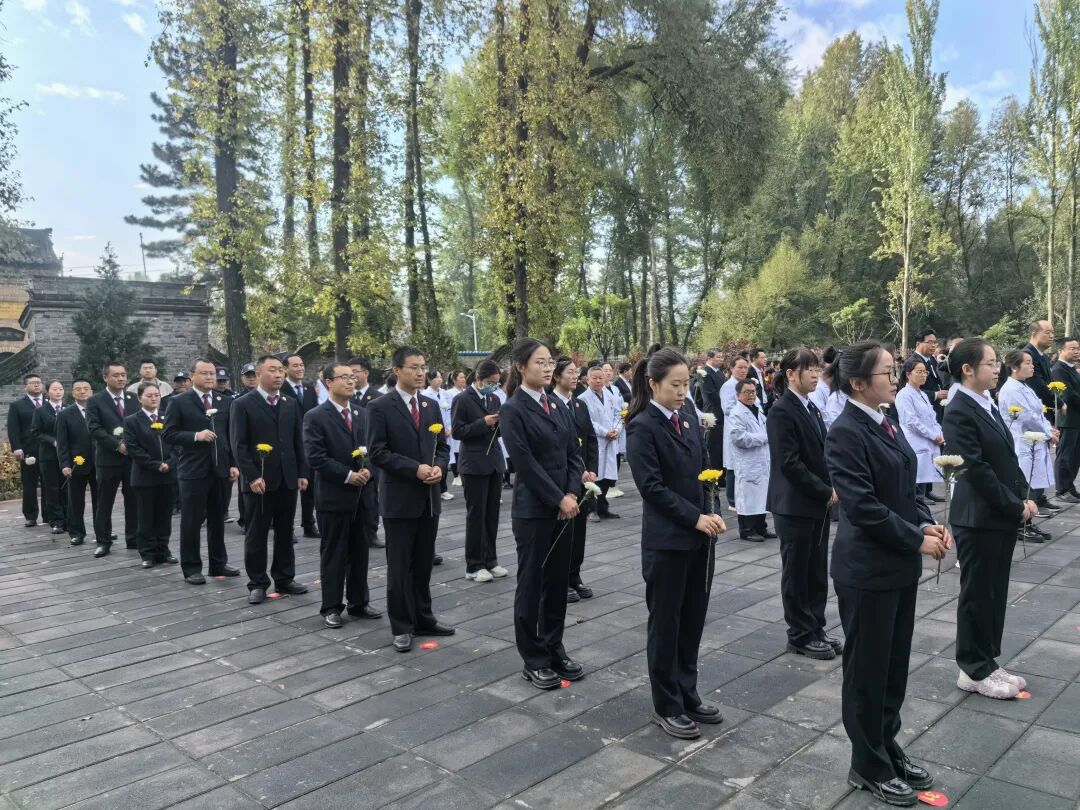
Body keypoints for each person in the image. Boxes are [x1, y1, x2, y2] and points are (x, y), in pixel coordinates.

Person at [826, 342, 949, 806]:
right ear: (859, 382)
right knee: (867, 670)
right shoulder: (845, 432)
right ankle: (867, 763)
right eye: (888, 372)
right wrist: (915, 538)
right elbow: (862, 506)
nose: (896, 379)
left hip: (897, 565)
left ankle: (885, 742)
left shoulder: (885, 419)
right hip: (867, 570)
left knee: (893, 666)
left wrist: (924, 521)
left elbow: (905, 486)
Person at [626, 346, 727, 739]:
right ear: (653, 384)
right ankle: (666, 704)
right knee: (666, 623)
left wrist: (711, 509)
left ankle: (688, 691)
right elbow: (652, 487)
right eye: (675, 385)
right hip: (668, 541)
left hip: (700, 537)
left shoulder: (687, 417)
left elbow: (702, 470)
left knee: (692, 619)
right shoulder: (642, 426)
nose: (683, 392)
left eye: (686, 384)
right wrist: (694, 517)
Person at [943, 338, 1035, 700]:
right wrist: (1014, 506)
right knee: (978, 595)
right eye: (990, 363)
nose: (997, 369)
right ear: (967, 369)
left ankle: (987, 659)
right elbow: (976, 469)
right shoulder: (959, 409)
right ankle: (972, 668)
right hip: (978, 517)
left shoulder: (985, 402)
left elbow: (1006, 458)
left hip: (996, 514)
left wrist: (1024, 494)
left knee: (994, 593)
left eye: (997, 363)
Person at [500, 338, 585, 689]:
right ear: (521, 367)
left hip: (565, 508)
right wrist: (557, 498)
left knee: (557, 582)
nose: (548, 368)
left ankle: (554, 647)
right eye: (540, 362)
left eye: (550, 362)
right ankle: (533, 658)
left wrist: (572, 492)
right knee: (532, 584)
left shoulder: (557, 405)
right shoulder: (513, 409)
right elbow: (525, 464)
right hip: (534, 512)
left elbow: (573, 454)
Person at [367, 346, 454, 652]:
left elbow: (442, 447)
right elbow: (378, 453)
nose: (420, 373)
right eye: (413, 367)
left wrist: (439, 468)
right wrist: (415, 469)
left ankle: (423, 617)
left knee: (423, 561)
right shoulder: (380, 407)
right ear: (397, 370)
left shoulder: (430, 405)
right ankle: (402, 625)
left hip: (429, 496)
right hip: (400, 498)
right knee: (400, 565)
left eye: (423, 367)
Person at [766, 348, 839, 661]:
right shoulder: (781, 411)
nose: (814, 374)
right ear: (790, 374)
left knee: (816, 571)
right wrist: (824, 491)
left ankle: (816, 628)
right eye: (807, 368)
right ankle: (799, 634)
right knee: (797, 572)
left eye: (816, 368)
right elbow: (789, 463)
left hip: (816, 504)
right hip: (794, 505)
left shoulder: (812, 408)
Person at [303, 363, 381, 628]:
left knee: (360, 552)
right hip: (334, 495)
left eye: (352, 377)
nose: (350, 381)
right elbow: (316, 457)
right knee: (334, 553)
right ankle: (332, 606)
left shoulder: (362, 414)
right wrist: (348, 475)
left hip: (363, 494)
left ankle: (359, 602)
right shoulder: (316, 416)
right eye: (344, 377)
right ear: (328, 382)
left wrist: (369, 471)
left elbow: (375, 449)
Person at [229, 355, 310, 604]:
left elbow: (297, 441)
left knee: (285, 531)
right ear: (259, 374)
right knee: (257, 532)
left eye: (280, 371)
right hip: (259, 481)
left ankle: (284, 577)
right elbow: (239, 445)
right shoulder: (243, 404)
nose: (278, 375)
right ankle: (257, 583)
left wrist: (302, 472)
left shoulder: (290, 403)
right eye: (272, 370)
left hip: (287, 478)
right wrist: (252, 475)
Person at [163, 358, 242, 585]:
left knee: (217, 519)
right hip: (193, 470)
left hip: (220, 470)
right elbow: (168, 434)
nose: (209, 377)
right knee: (191, 520)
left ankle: (218, 563)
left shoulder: (225, 401)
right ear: (192, 376)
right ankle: (191, 567)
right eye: (204, 373)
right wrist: (195, 436)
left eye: (212, 373)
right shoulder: (179, 402)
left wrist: (233, 464)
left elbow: (231, 436)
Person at [451, 359, 508, 584]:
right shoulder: (462, 399)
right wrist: (482, 423)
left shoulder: (494, 398)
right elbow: (457, 431)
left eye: (496, 383)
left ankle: (490, 560)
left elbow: (497, 431)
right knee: (477, 515)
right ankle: (474, 565)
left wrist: (501, 424)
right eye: (490, 382)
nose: (493, 386)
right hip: (474, 464)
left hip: (494, 461)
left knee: (492, 514)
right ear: (478, 379)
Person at [551, 356, 599, 602]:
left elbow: (590, 439)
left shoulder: (579, 404)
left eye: (575, 371)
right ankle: (559, 580)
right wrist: (576, 470)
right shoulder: (550, 404)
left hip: (583, 479)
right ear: (556, 376)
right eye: (569, 372)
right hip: (562, 478)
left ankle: (574, 576)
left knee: (579, 530)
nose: (574, 376)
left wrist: (591, 469)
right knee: (562, 532)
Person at [998, 350, 1058, 544]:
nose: (1032, 366)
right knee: (1023, 484)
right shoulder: (1011, 389)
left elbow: (1039, 413)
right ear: (1015, 367)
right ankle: (1020, 524)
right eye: (1028, 363)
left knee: (1031, 484)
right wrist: (1048, 433)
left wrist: (1049, 429)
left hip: (1033, 439)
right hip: (1021, 441)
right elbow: (1027, 417)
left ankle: (1028, 522)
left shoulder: (1025, 386)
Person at [86, 362, 140, 558]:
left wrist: (133, 444)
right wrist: (117, 445)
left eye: (123, 374)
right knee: (104, 501)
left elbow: (140, 423)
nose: (121, 378)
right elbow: (94, 428)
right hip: (108, 459)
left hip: (132, 459)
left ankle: (133, 538)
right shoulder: (95, 401)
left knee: (133, 500)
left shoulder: (133, 398)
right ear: (105, 378)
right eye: (116, 375)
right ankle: (103, 541)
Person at [123, 382, 179, 568]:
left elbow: (177, 444)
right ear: (140, 398)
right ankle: (147, 553)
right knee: (146, 517)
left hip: (168, 475)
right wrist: (155, 465)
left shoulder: (167, 417)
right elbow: (134, 449)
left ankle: (163, 550)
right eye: (149, 395)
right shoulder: (132, 420)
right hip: (145, 476)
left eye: (156, 395)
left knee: (164, 516)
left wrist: (170, 463)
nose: (154, 398)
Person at [728, 379, 774, 541]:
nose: (751, 395)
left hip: (761, 460)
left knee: (761, 496)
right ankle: (747, 530)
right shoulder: (737, 413)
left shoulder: (757, 409)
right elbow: (740, 438)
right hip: (748, 462)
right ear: (738, 395)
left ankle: (761, 528)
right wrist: (764, 437)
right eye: (747, 392)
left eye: (753, 391)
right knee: (747, 498)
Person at [895, 357, 944, 503]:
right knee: (916, 483)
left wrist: (939, 434)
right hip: (916, 442)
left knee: (923, 480)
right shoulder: (904, 395)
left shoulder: (922, 394)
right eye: (919, 372)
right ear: (908, 374)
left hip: (929, 442)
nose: (923, 375)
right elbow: (911, 421)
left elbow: (932, 417)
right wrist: (932, 435)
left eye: (925, 372)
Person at [282, 353, 320, 539]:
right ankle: (286, 528)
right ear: (285, 369)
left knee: (309, 485)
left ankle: (308, 524)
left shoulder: (309, 388)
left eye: (302, 364)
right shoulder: (280, 388)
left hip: (309, 442)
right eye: (295, 365)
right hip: (289, 442)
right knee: (288, 488)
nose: (300, 368)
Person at [578, 362, 622, 520]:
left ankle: (603, 508)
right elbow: (588, 421)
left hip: (611, 439)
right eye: (594, 378)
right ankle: (592, 509)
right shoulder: (582, 399)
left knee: (607, 477)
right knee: (594, 475)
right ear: (587, 379)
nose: (598, 381)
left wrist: (617, 430)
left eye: (600, 378)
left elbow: (618, 414)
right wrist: (605, 432)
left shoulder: (610, 395)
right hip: (596, 440)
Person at [56, 379, 97, 546]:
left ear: (92, 392)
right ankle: (77, 533)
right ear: (72, 393)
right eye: (78, 389)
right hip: (76, 464)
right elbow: (62, 442)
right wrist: (65, 464)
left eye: (86, 388)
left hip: (100, 462)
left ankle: (102, 531)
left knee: (101, 500)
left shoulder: (99, 410)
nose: (82, 391)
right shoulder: (64, 414)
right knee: (75, 501)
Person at [349, 357, 384, 549]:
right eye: (349, 373)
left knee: (371, 496)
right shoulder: (346, 396)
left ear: (366, 373)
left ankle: (371, 532)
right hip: (350, 451)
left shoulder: (377, 397)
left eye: (355, 372)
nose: (352, 376)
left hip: (371, 451)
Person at [30, 379, 68, 535]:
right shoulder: (40, 411)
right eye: (54, 389)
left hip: (66, 456)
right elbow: (36, 432)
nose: (58, 392)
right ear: (47, 392)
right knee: (52, 488)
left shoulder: (69, 409)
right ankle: (56, 521)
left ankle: (69, 519)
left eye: (60, 389)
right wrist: (53, 441)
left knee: (67, 488)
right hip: (49, 456)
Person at [7, 373, 43, 527]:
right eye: (32, 382)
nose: (36, 385)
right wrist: (17, 447)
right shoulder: (17, 406)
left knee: (51, 484)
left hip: (50, 449)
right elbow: (13, 429)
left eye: (38, 382)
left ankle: (51, 515)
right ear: (25, 386)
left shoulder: (49, 402)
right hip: (29, 450)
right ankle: (30, 515)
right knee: (29, 484)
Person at [721, 357, 758, 509]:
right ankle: (732, 501)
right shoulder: (728, 386)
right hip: (735, 427)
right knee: (733, 466)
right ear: (732, 368)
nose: (743, 370)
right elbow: (727, 408)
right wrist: (744, 406)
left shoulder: (748, 384)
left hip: (750, 427)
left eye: (745, 367)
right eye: (740, 367)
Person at [1051, 337, 1080, 502]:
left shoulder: (1072, 368)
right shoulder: (1058, 369)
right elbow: (1068, 395)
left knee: (1075, 457)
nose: (1076, 352)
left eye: (1078, 348)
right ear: (1061, 350)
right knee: (1065, 456)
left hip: (1076, 419)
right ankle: (1062, 490)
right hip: (1067, 420)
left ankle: (1070, 487)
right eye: (1072, 348)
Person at [696, 349, 727, 472]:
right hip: (713, 413)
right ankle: (715, 474)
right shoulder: (703, 373)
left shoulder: (719, 372)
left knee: (722, 447)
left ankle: (722, 473)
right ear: (709, 358)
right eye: (718, 357)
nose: (721, 359)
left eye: (722, 357)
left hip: (723, 413)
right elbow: (710, 394)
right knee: (714, 447)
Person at [1023, 320, 1056, 419]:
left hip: (1047, 411)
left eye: (1052, 332)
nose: (1051, 336)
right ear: (1034, 334)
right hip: (1035, 413)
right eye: (1047, 332)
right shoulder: (1027, 355)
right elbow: (1038, 385)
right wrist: (1058, 403)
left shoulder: (1044, 356)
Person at [911, 329, 946, 420]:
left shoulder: (931, 360)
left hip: (935, 411)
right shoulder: (913, 363)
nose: (933, 345)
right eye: (929, 342)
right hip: (922, 415)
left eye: (934, 342)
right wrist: (935, 394)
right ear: (918, 344)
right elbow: (910, 391)